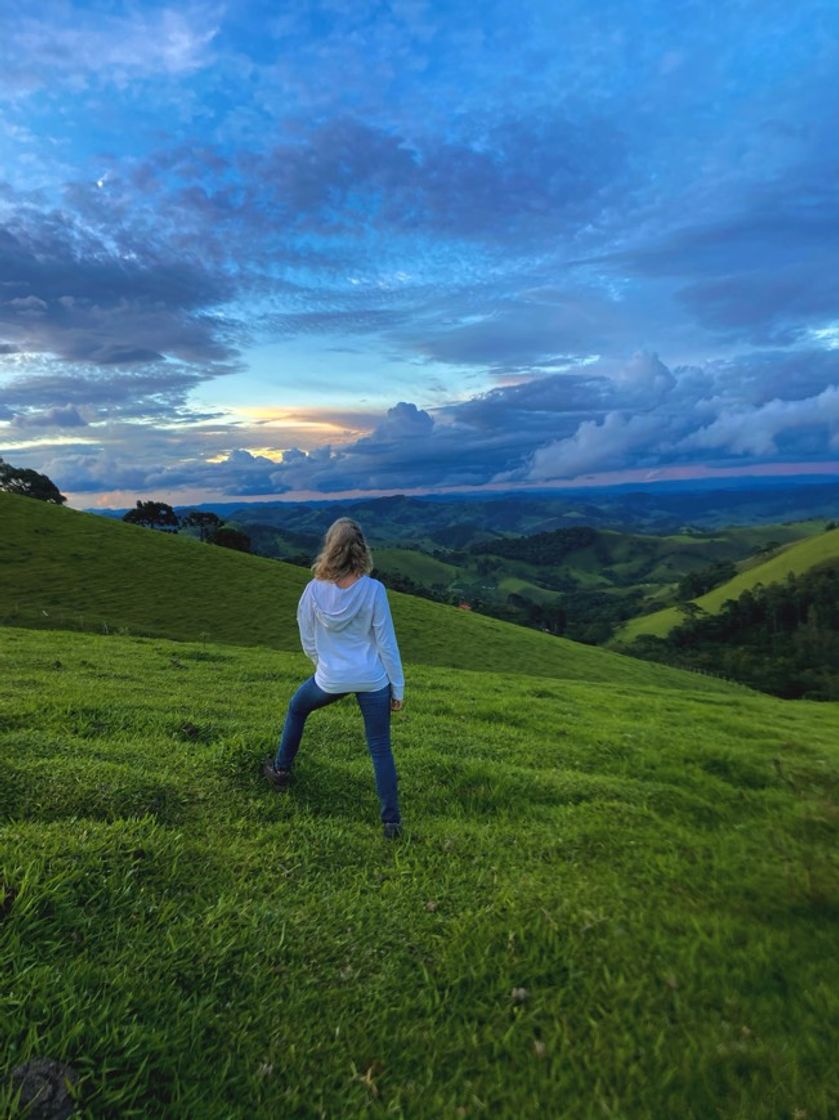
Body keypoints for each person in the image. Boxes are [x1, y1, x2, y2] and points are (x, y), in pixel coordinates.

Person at [263, 517, 405, 838]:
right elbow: (386, 643)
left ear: (331, 548)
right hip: (373, 680)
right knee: (380, 747)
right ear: (361, 550)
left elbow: (307, 637)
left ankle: (281, 770)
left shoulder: (313, 591)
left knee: (297, 708)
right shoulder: (374, 590)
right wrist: (398, 687)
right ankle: (391, 822)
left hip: (330, 678)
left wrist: (323, 664)